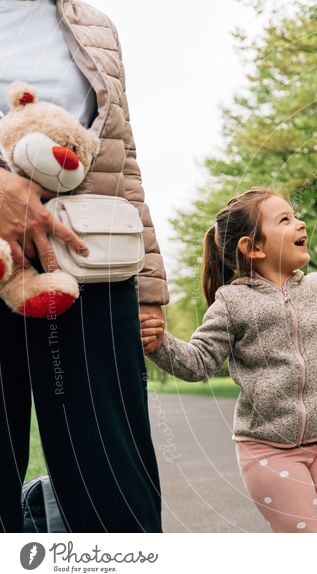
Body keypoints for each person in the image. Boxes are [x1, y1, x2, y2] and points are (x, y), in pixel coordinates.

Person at [140, 188, 317, 532]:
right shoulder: (232, 303)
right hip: (268, 451)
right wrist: (160, 344)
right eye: (285, 219)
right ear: (253, 247)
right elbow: (199, 362)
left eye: (296, 215)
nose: (300, 223)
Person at [0, 0, 167, 532]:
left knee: (115, 477)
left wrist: (147, 288)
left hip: (93, 268)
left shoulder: (94, 26)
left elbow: (123, 154)